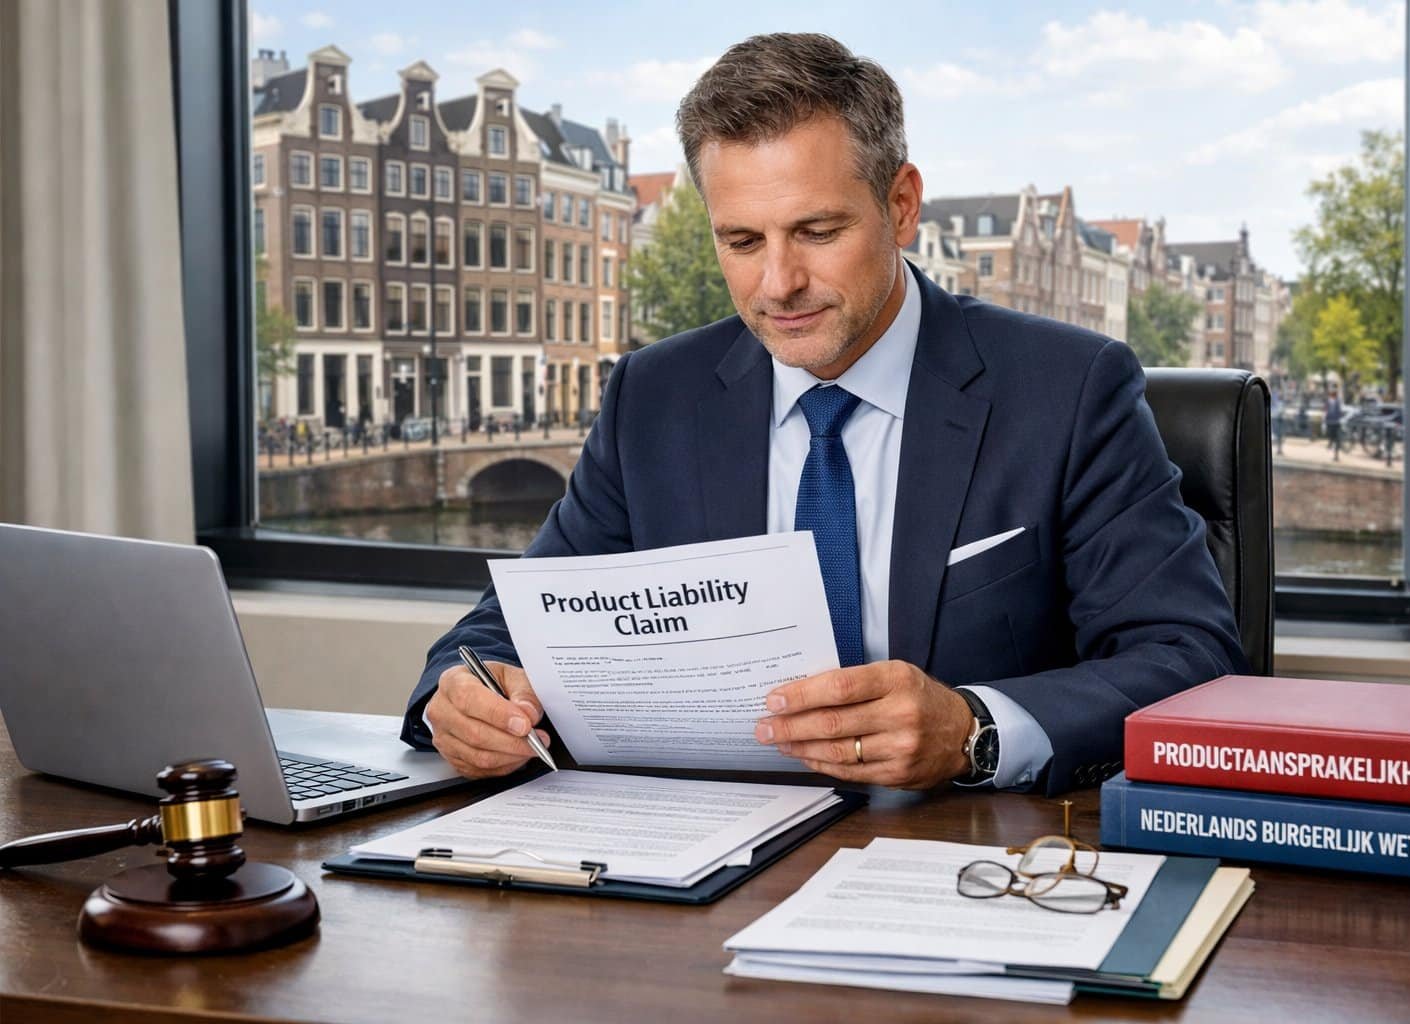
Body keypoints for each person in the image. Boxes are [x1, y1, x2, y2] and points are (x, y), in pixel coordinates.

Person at [401, 33, 1244, 795]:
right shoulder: (652, 398)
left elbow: (1187, 657)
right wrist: (465, 695)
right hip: (703, 872)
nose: (778, 284)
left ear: (903, 205)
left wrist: (974, 730)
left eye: (816, 230)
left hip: (964, 861)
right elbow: (504, 628)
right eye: (742, 241)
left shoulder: (1069, 388)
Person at [1325, 388, 1344, 461]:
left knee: (1336, 439)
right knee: (1333, 437)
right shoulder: (1330, 401)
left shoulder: (1337, 402)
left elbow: (1339, 411)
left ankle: (1336, 455)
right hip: (1332, 422)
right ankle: (1331, 445)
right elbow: (1327, 411)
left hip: (1335, 422)